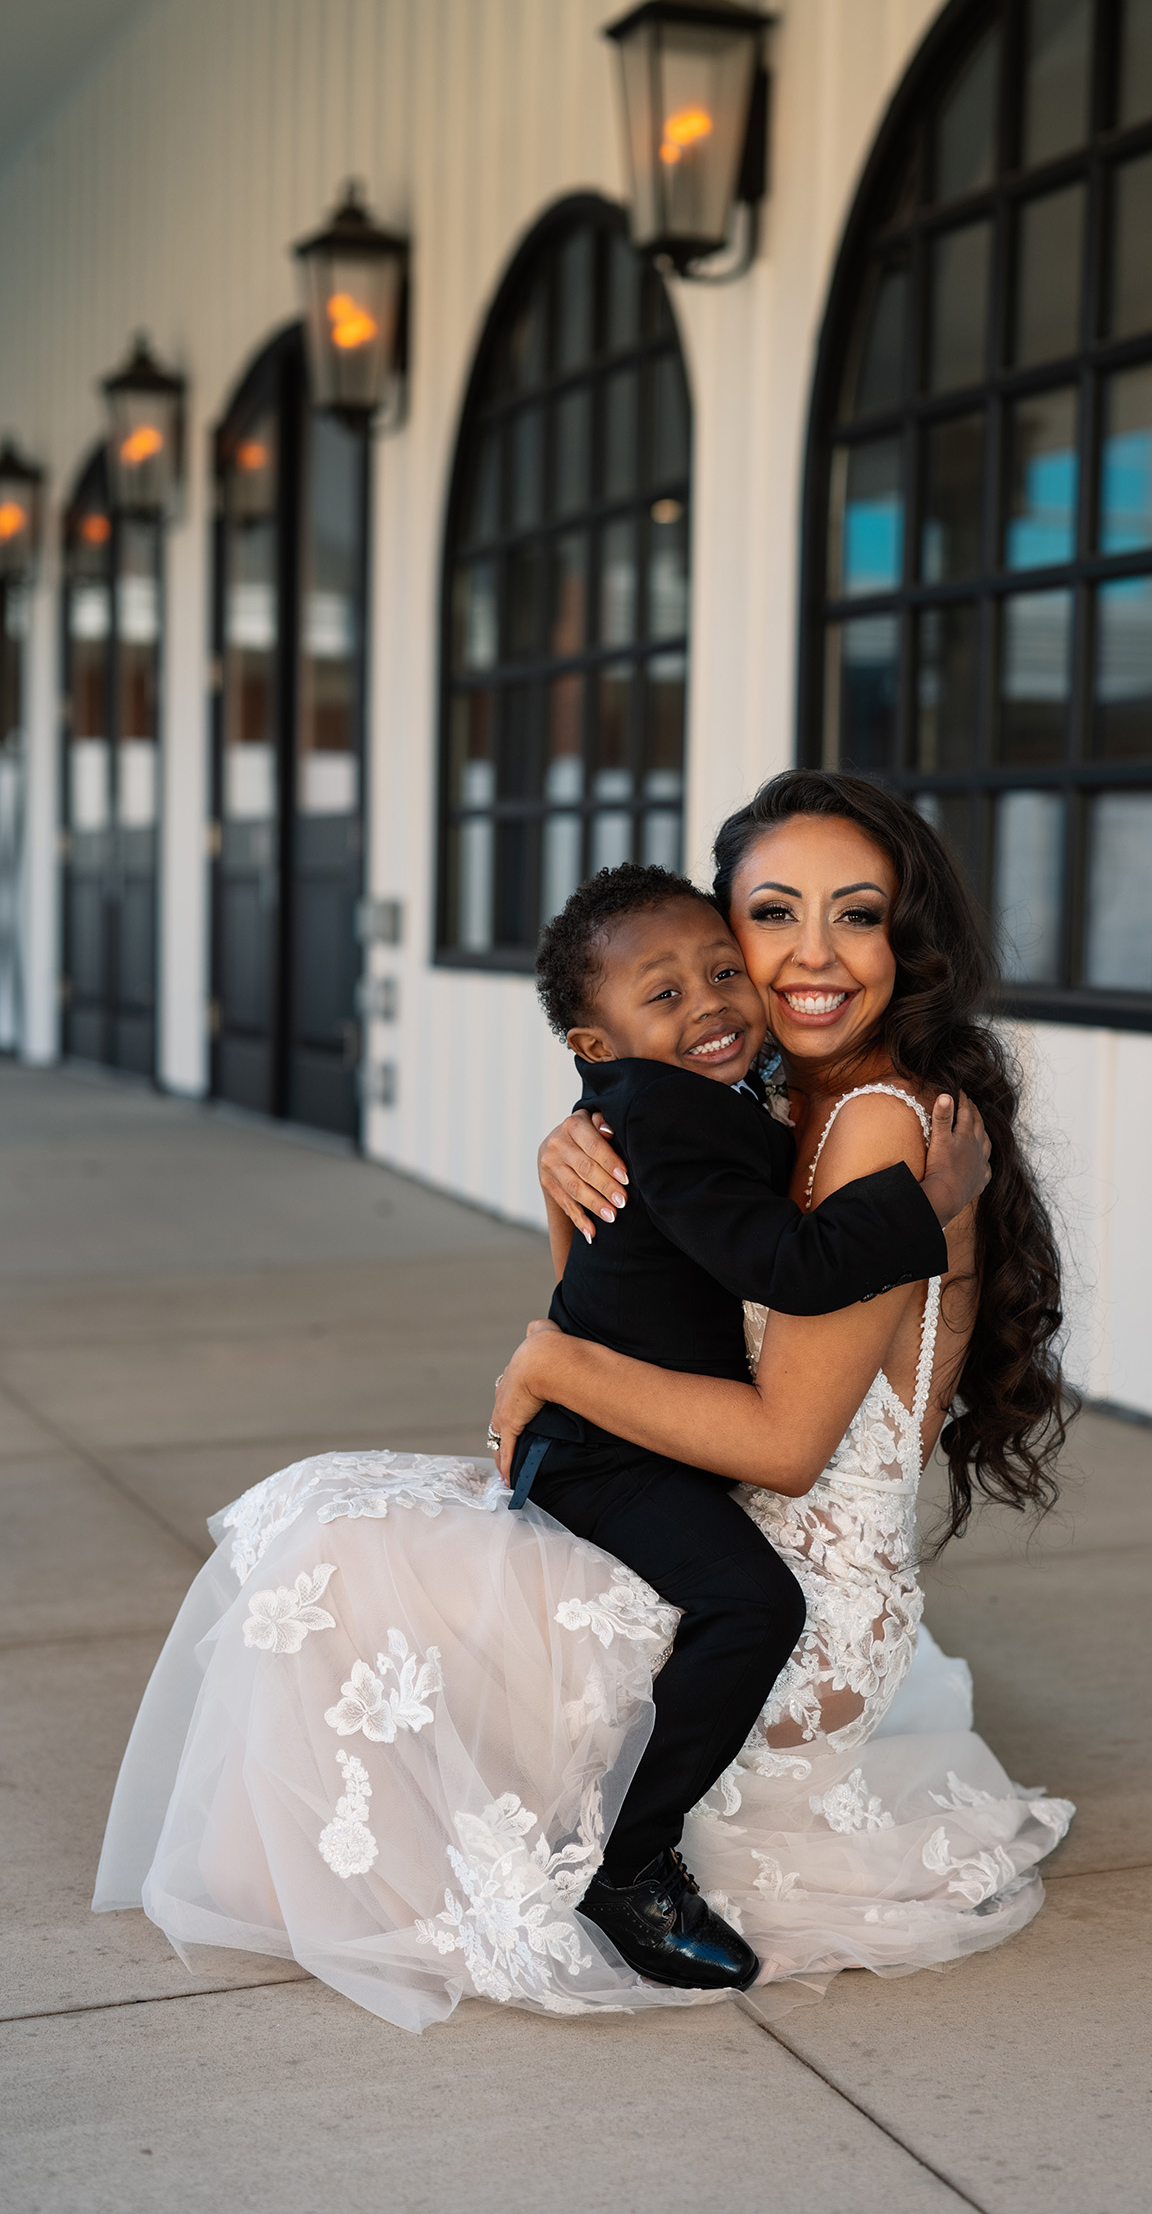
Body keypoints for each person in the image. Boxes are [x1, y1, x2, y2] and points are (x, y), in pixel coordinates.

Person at [91, 838, 994, 2025]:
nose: (717, 1002)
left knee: (714, 1611)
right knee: (752, 1604)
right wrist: (931, 1202)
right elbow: (785, 1262)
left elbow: (641, 1276)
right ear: (596, 1042)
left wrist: (590, 1148)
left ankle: (613, 1838)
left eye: (723, 972)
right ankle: (629, 1866)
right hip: (611, 1451)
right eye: (666, 994)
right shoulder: (684, 1116)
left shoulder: (700, 1104)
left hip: (630, 1437)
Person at [493, 770, 1075, 2001]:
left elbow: (784, 1446)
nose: (810, 954)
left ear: (907, 939)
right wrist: (579, 1169)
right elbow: (633, 1300)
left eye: (857, 914)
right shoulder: (755, 1100)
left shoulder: (871, 1121)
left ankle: (629, 1860)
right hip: (696, 1510)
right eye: (772, 915)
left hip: (785, 1606)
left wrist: (548, 1361)